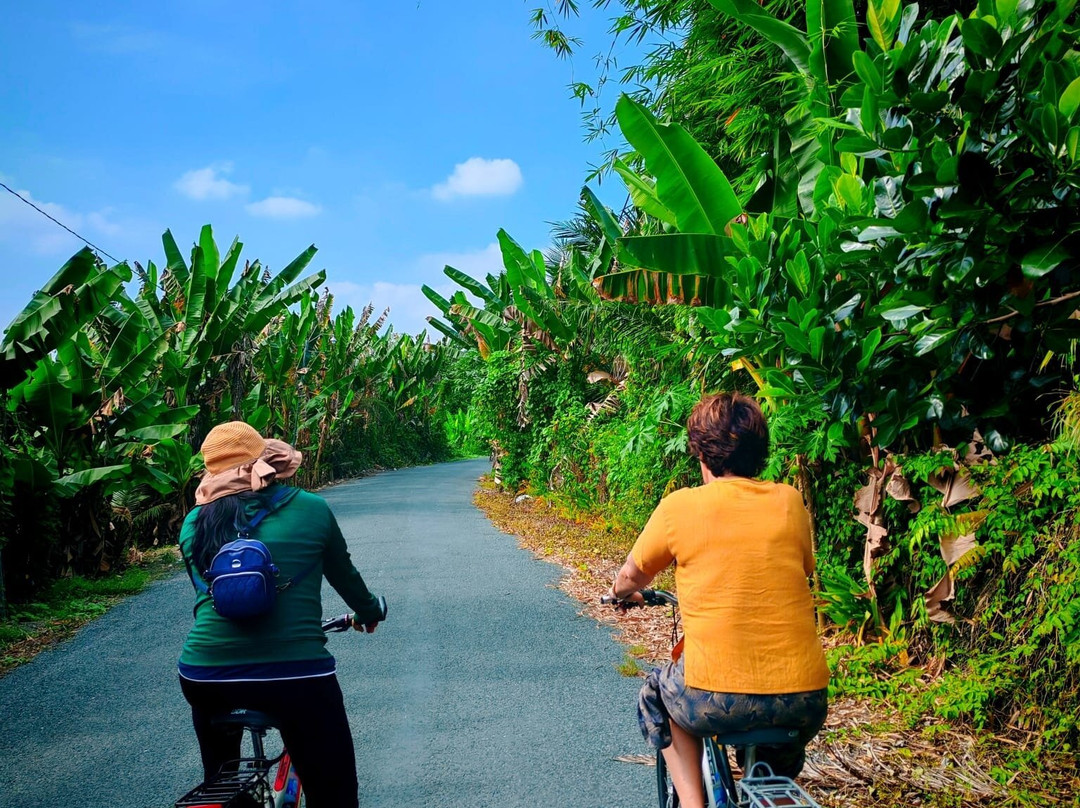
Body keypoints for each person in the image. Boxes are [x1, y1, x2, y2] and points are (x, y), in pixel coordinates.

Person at [608, 393, 829, 808]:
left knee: (656, 694)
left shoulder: (680, 507)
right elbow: (802, 568)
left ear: (701, 454)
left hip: (714, 698)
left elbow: (630, 576)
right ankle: (772, 794)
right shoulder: (790, 502)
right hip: (804, 700)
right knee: (774, 757)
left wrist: (621, 594)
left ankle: (694, 803)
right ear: (760, 452)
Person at [177, 421, 385, 808]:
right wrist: (369, 611)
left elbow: (206, 599)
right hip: (296, 674)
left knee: (221, 778)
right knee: (334, 790)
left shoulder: (193, 523)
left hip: (205, 672)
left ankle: (224, 794)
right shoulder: (311, 509)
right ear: (267, 460)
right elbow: (346, 578)